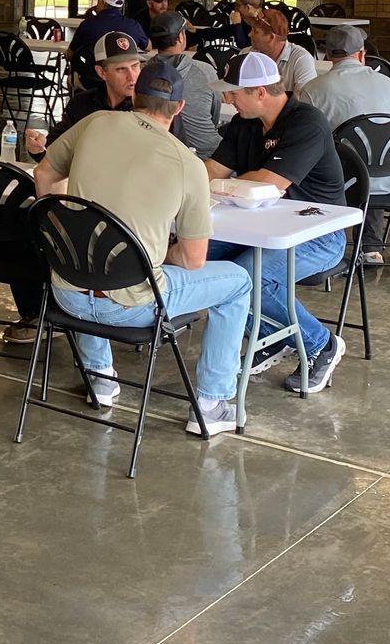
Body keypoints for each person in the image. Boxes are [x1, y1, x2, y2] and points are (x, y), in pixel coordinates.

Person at [32, 61, 252, 435]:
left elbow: (43, 174)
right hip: (130, 308)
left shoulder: (95, 122)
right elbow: (194, 259)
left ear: (134, 95)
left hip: (65, 291)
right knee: (238, 281)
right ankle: (212, 403)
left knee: (91, 252)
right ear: (179, 108)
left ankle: (100, 378)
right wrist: (150, 250)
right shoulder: (188, 164)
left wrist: (65, 231)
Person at [204, 51, 349, 396]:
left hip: (318, 234)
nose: (227, 99)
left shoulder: (306, 122)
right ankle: (270, 334)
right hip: (257, 227)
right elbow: (213, 171)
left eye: (234, 92)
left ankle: (321, 344)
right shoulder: (244, 122)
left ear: (259, 92)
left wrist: (218, 184)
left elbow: (269, 182)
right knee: (195, 254)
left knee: (250, 277)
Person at [299, 25, 390, 263]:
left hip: (340, 184)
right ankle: (371, 247)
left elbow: (306, 137)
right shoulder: (388, 84)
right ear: (362, 53)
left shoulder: (314, 89)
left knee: (325, 160)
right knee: (371, 158)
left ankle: (321, 246)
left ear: (327, 55)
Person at [23, 31, 141, 157]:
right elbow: (52, 152)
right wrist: (37, 148)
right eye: (121, 69)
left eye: (135, 66)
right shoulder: (82, 104)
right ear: (101, 72)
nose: (132, 77)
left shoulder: (149, 108)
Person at [146, 11, 221, 156]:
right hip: (207, 156)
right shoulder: (205, 70)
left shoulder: (142, 73)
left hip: (158, 153)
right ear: (181, 37)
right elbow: (215, 115)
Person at [245, 8, 317, 93]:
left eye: (255, 31)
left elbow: (304, 100)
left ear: (271, 37)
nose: (249, 35)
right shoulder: (247, 55)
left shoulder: (301, 59)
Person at [67, 0, 143, 62]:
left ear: (102, 2)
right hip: (123, 71)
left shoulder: (87, 25)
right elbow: (148, 47)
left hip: (92, 72)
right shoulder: (133, 25)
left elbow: (70, 53)